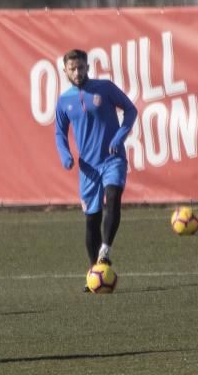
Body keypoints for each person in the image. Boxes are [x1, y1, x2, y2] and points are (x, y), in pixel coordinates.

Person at [54, 49, 138, 287]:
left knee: (113, 197)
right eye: (72, 69)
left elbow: (131, 110)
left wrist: (119, 137)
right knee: (92, 219)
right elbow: (59, 132)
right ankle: (94, 272)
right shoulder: (64, 101)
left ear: (88, 67)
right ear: (65, 71)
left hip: (113, 159)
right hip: (88, 168)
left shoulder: (105, 88)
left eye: (81, 67)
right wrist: (65, 155)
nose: (77, 72)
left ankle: (105, 251)